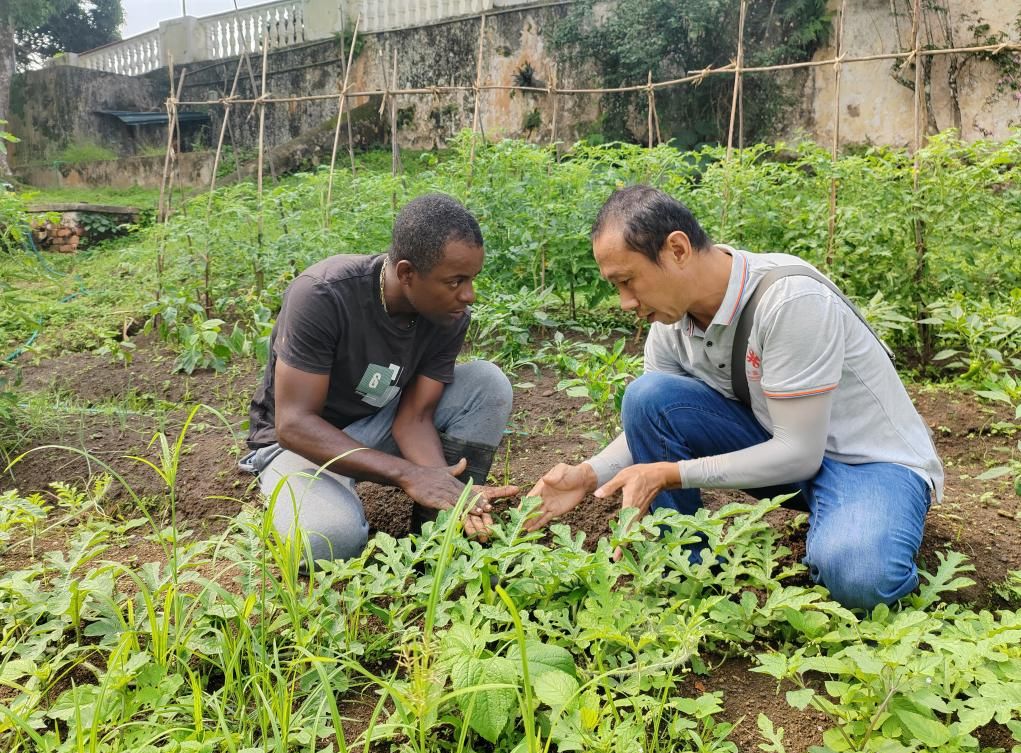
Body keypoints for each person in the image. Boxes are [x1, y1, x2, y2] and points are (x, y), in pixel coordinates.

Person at [527, 185, 943, 610]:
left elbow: (800, 453)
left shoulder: (789, 301)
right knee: (647, 395)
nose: (624, 302)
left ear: (677, 249)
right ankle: (688, 569)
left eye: (627, 281)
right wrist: (588, 474)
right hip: (780, 451)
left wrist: (673, 473)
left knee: (859, 579)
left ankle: (866, 521)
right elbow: (651, 420)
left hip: (868, 464)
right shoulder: (670, 324)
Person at [241, 193, 517, 565]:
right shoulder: (324, 295)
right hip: (300, 447)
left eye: (471, 279)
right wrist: (407, 474)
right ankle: (306, 500)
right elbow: (294, 424)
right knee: (327, 541)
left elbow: (415, 418)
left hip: (376, 424)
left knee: (487, 383)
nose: (469, 295)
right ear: (406, 273)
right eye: (455, 281)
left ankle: (439, 535)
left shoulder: (447, 316)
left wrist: (448, 488)